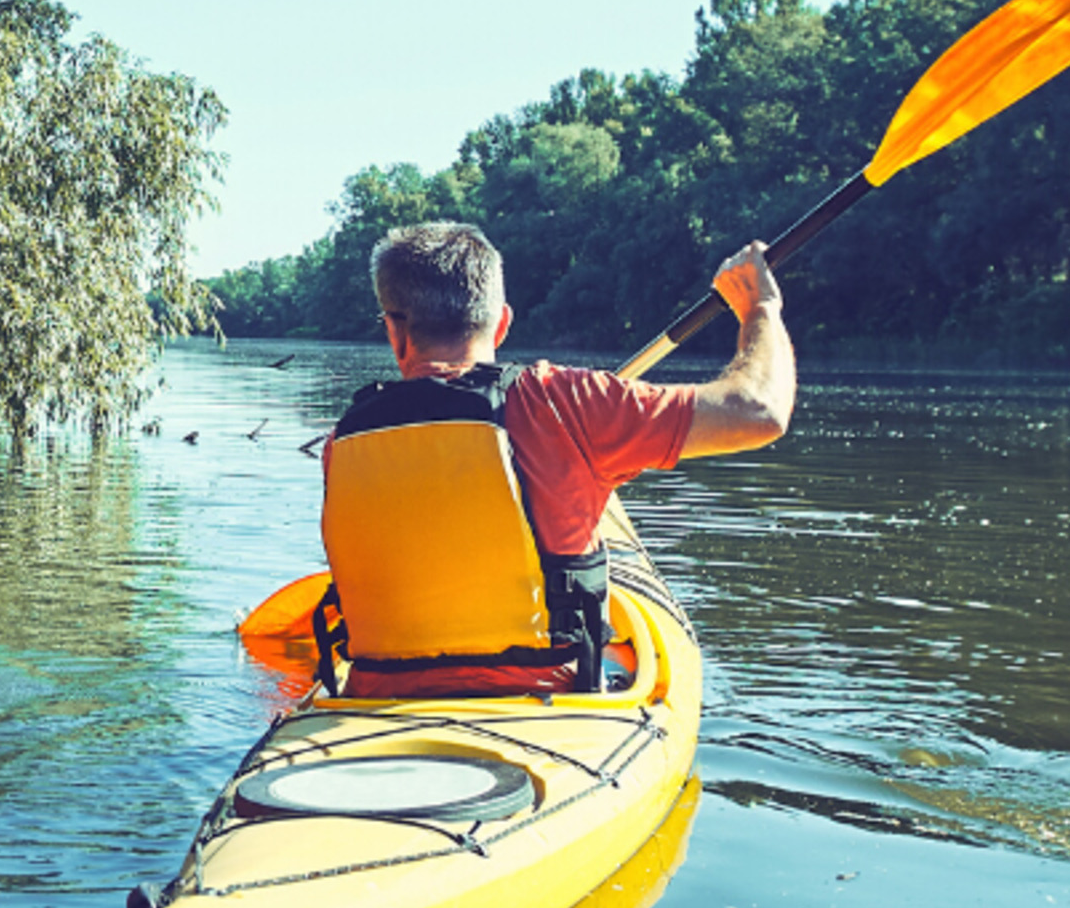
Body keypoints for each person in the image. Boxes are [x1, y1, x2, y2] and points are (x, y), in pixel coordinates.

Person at [317, 219, 792, 697]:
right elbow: (759, 410)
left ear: (395, 334)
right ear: (501, 322)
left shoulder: (344, 444)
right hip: (546, 708)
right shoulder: (563, 402)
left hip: (374, 706)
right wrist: (760, 309)